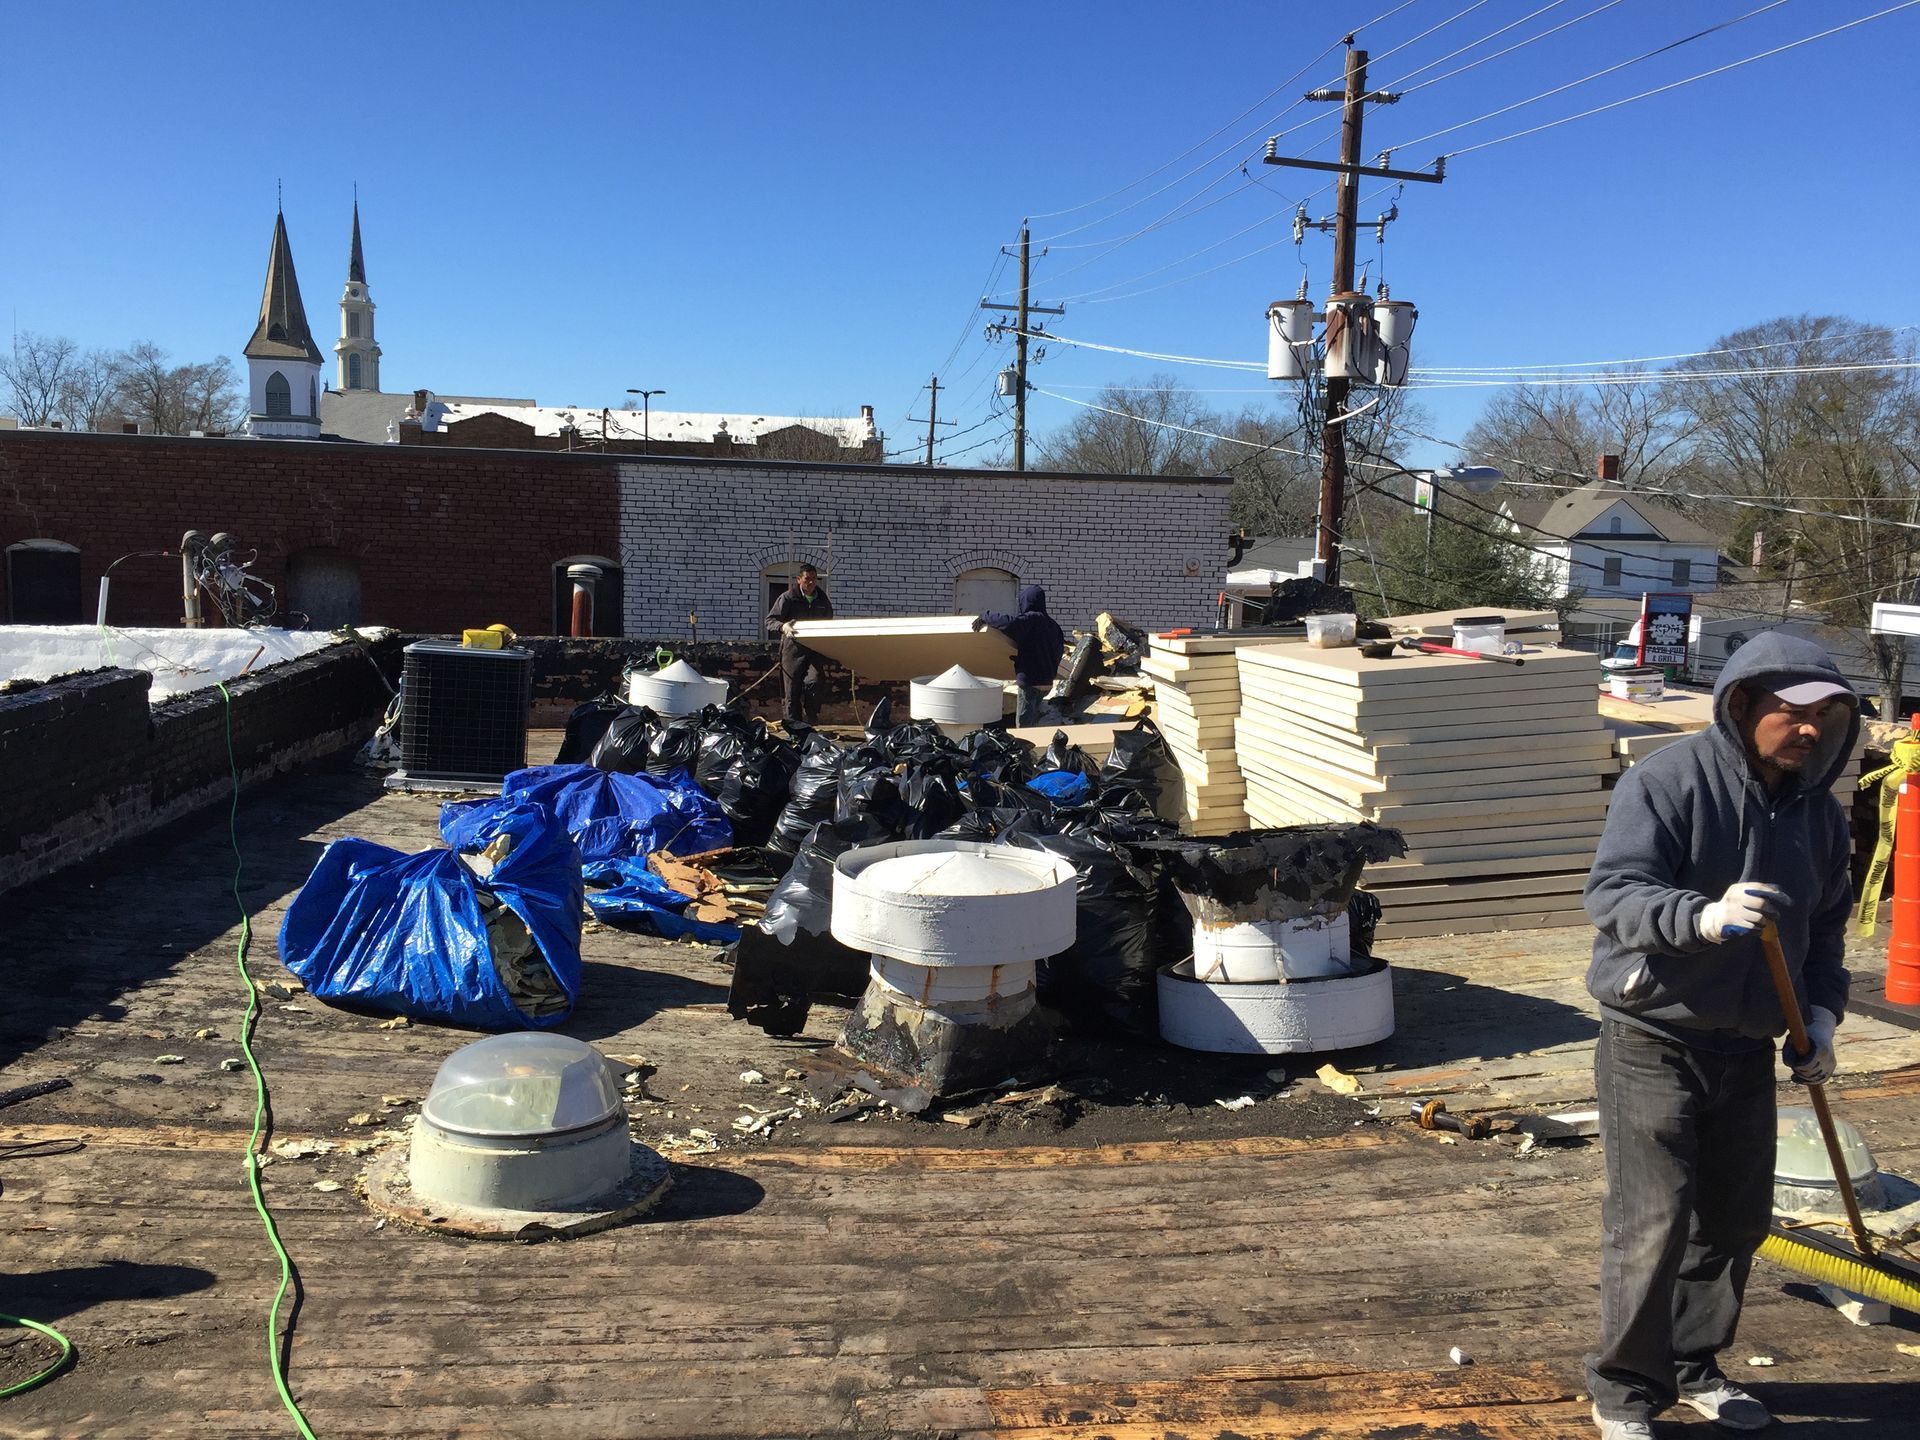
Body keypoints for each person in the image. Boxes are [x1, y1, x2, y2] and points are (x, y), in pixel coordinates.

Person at [1582, 631, 1859, 1440]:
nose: (1809, 730)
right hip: (1652, 1035)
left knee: (1735, 1219)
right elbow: (1614, 896)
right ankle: (1625, 1393)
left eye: (1827, 716)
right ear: (1743, 705)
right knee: (1653, 1221)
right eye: (1791, 712)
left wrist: (1818, 1017)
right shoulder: (1667, 781)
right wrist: (1698, 918)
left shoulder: (1821, 816)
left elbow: (1829, 928)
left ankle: (1696, 1365)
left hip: (1747, 1046)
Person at [972, 584, 1065, 727]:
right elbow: (1054, 653)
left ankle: (1024, 749)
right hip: (1046, 684)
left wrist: (985, 616)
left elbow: (1009, 624)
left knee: (1023, 727)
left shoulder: (1031, 619)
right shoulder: (1054, 626)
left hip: (1030, 682)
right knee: (1033, 723)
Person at [765, 564, 833, 726]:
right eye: (807, 579)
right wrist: (783, 626)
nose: (810, 583)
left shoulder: (822, 600)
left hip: (815, 650)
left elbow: (829, 622)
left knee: (816, 681)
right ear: (799, 580)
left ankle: (811, 719)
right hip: (792, 651)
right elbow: (769, 621)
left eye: (814, 579)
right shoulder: (788, 598)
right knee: (791, 691)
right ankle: (794, 727)